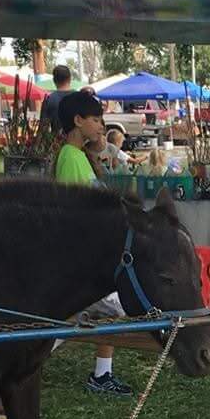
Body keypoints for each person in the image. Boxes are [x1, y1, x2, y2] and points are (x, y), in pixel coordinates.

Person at [54, 89, 133, 400]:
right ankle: (29, 354)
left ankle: (102, 374)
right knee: (111, 308)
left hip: (90, 255)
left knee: (101, 313)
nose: (102, 125)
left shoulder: (77, 156)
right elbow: (80, 211)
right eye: (96, 119)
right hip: (81, 258)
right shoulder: (71, 158)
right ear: (78, 120)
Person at [40, 64, 74, 139]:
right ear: (70, 78)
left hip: (57, 144)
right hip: (80, 145)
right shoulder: (81, 97)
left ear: (54, 80)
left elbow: (43, 128)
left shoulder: (48, 100)